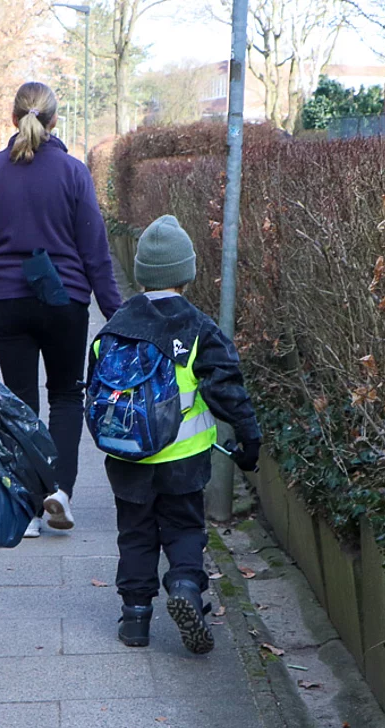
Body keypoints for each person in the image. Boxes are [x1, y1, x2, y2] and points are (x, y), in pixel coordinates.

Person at [0, 81, 122, 539]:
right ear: (54, 120)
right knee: (66, 397)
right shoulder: (72, 172)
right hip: (65, 303)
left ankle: (26, 507)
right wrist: (115, 311)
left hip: (7, 302)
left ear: (13, 119)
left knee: (20, 402)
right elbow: (95, 251)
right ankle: (59, 494)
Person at [91, 215, 262, 653]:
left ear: (142, 274)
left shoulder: (114, 327)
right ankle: (185, 586)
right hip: (184, 457)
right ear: (186, 273)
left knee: (135, 532)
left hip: (127, 457)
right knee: (185, 527)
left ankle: (135, 620)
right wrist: (249, 440)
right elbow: (227, 388)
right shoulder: (198, 327)